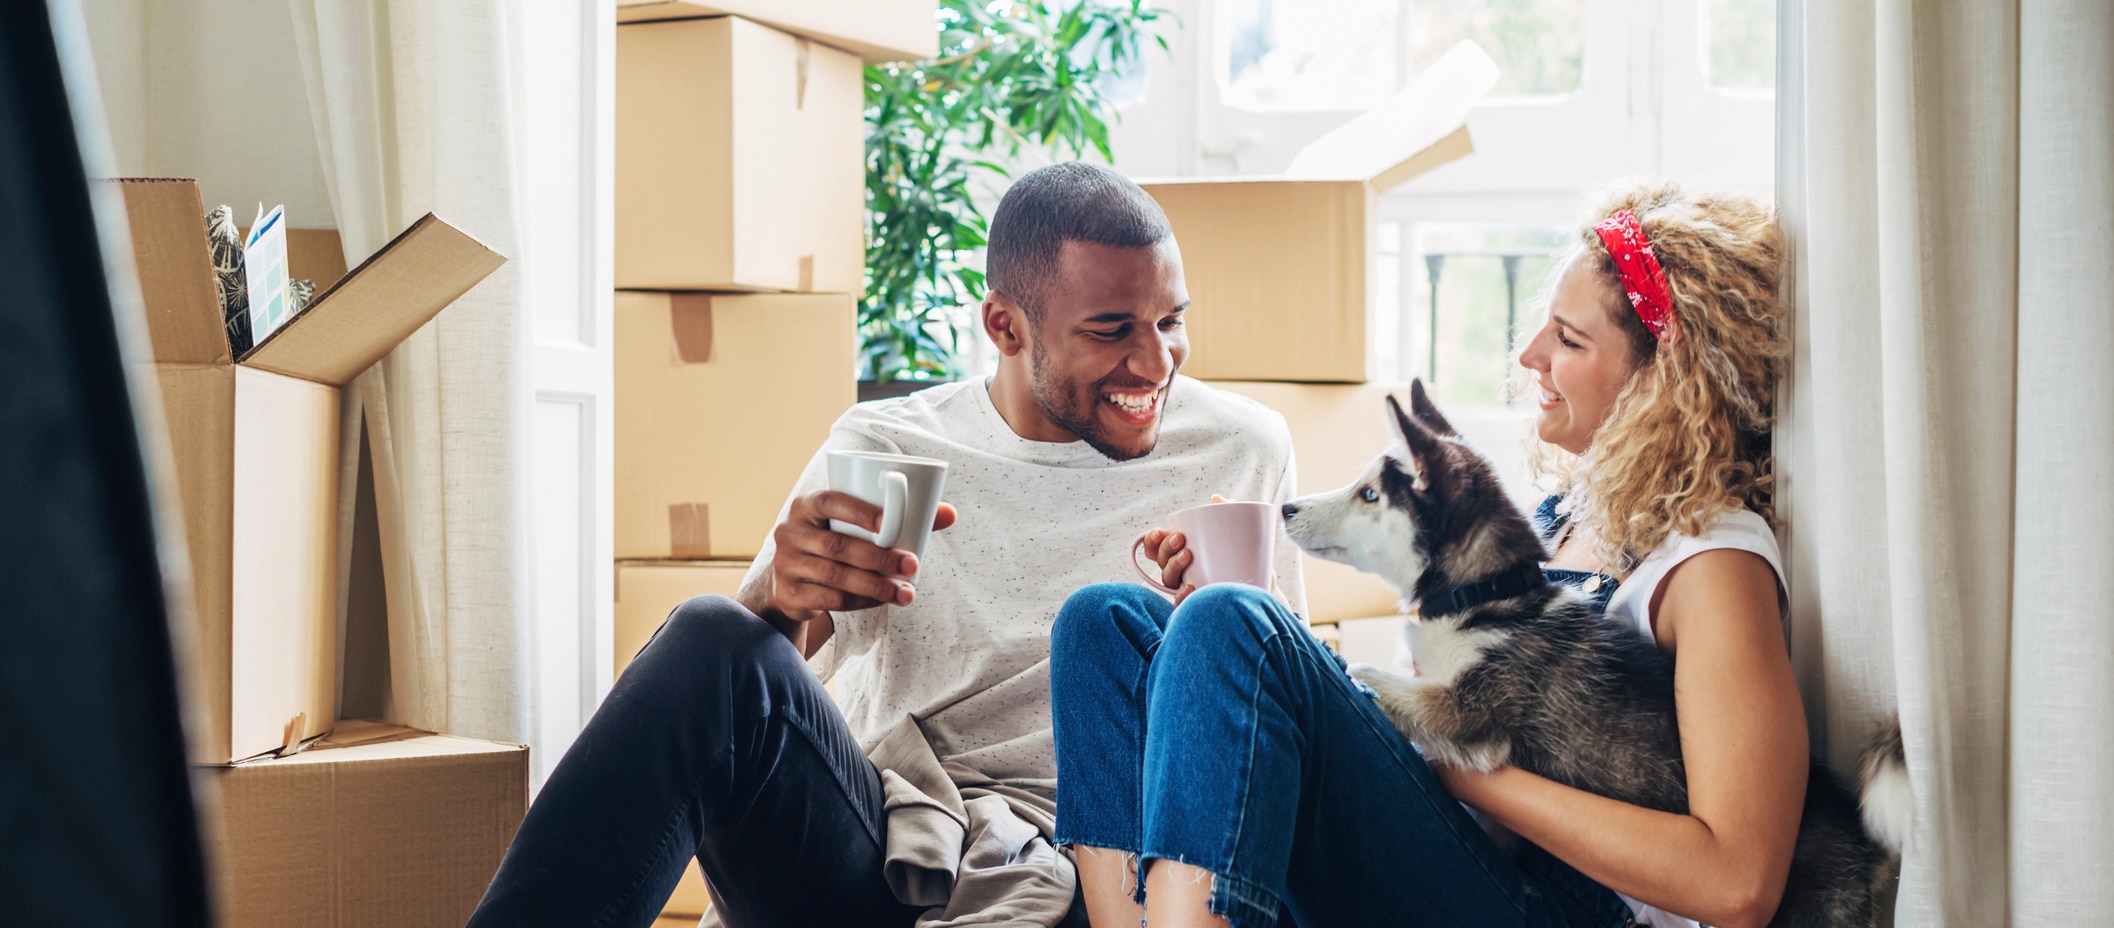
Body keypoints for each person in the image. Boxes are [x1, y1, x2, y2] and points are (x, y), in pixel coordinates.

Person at [463, 161, 1308, 927]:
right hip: (891, 848)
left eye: (1171, 320)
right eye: (1112, 329)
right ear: (1005, 327)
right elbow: (766, 688)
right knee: (711, 633)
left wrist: (1210, 634)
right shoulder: (892, 448)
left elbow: (1286, 714)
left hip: (1119, 870)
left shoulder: (1241, 448)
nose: (1155, 361)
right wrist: (777, 602)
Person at [1054, 181, 1801, 928]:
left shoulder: (1710, 560)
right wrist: (1225, 655)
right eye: (1545, 326)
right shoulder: (1561, 521)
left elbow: (1736, 883)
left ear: (1662, 382)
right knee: (1106, 621)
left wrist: (1462, 763)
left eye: (1569, 340)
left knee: (1232, 623)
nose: (1530, 353)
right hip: (1464, 857)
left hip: (1569, 908)